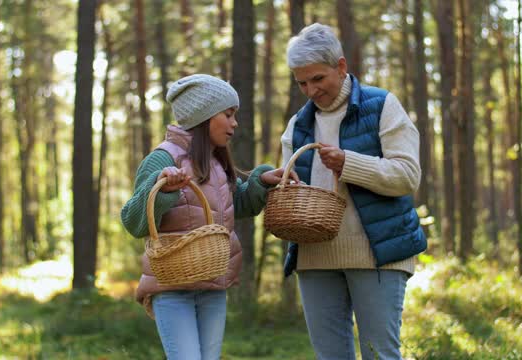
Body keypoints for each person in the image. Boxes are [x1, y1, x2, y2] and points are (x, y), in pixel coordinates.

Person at [121, 74, 295, 360]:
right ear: (204, 117)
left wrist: (261, 181)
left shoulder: (216, 162)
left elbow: (233, 204)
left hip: (213, 285)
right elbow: (133, 220)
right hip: (172, 288)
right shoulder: (163, 159)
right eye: (228, 115)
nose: (234, 123)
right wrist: (163, 187)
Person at [280, 23, 427, 360]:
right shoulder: (297, 125)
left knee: (379, 354)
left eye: (318, 79)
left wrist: (349, 163)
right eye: (302, 82)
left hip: (378, 253)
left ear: (341, 66)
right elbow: (293, 189)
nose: (310, 90)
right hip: (314, 257)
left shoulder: (382, 106)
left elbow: (407, 176)